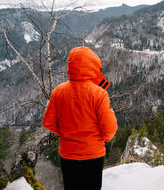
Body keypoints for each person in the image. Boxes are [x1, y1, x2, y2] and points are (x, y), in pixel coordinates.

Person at [43, 46, 118, 190]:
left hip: (68, 155)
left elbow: (48, 122)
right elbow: (110, 128)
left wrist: (64, 133)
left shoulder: (58, 92)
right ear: (94, 66)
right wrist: (103, 139)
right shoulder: (99, 94)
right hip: (93, 155)